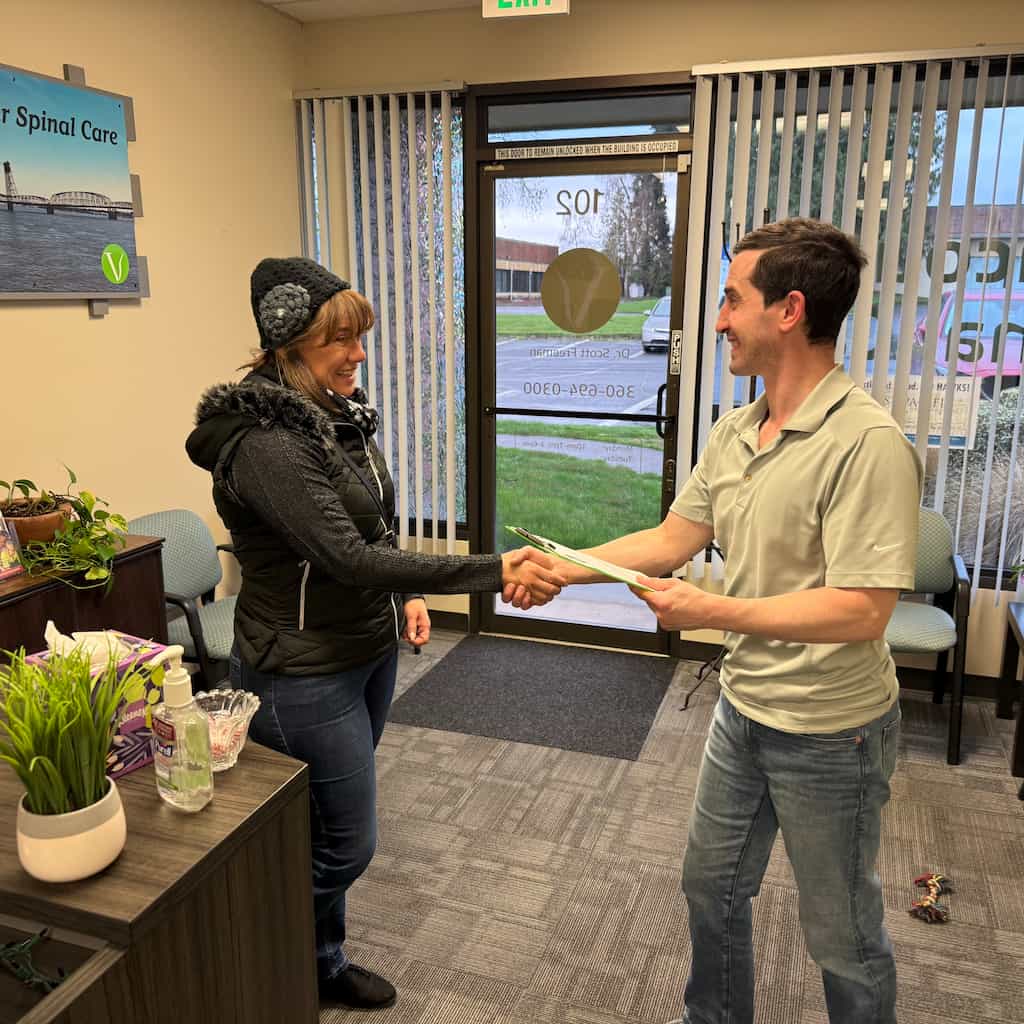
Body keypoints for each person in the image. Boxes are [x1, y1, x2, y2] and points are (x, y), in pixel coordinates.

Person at [509, 219, 921, 1024]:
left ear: (790, 309)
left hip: (834, 732)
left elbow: (863, 610)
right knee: (712, 889)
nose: (720, 319)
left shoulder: (866, 444)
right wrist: (565, 565)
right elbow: (673, 539)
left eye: (733, 300)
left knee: (841, 936)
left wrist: (711, 609)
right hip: (746, 711)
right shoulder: (738, 430)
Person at [186, 257, 565, 1011]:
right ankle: (249, 949)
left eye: (361, 337)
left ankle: (320, 962)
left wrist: (400, 599)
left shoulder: (334, 414)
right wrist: (492, 570)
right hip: (300, 672)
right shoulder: (268, 439)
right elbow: (347, 554)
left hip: (363, 649)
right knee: (345, 844)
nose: (359, 354)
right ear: (288, 343)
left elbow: (372, 528)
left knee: (320, 830)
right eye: (341, 340)